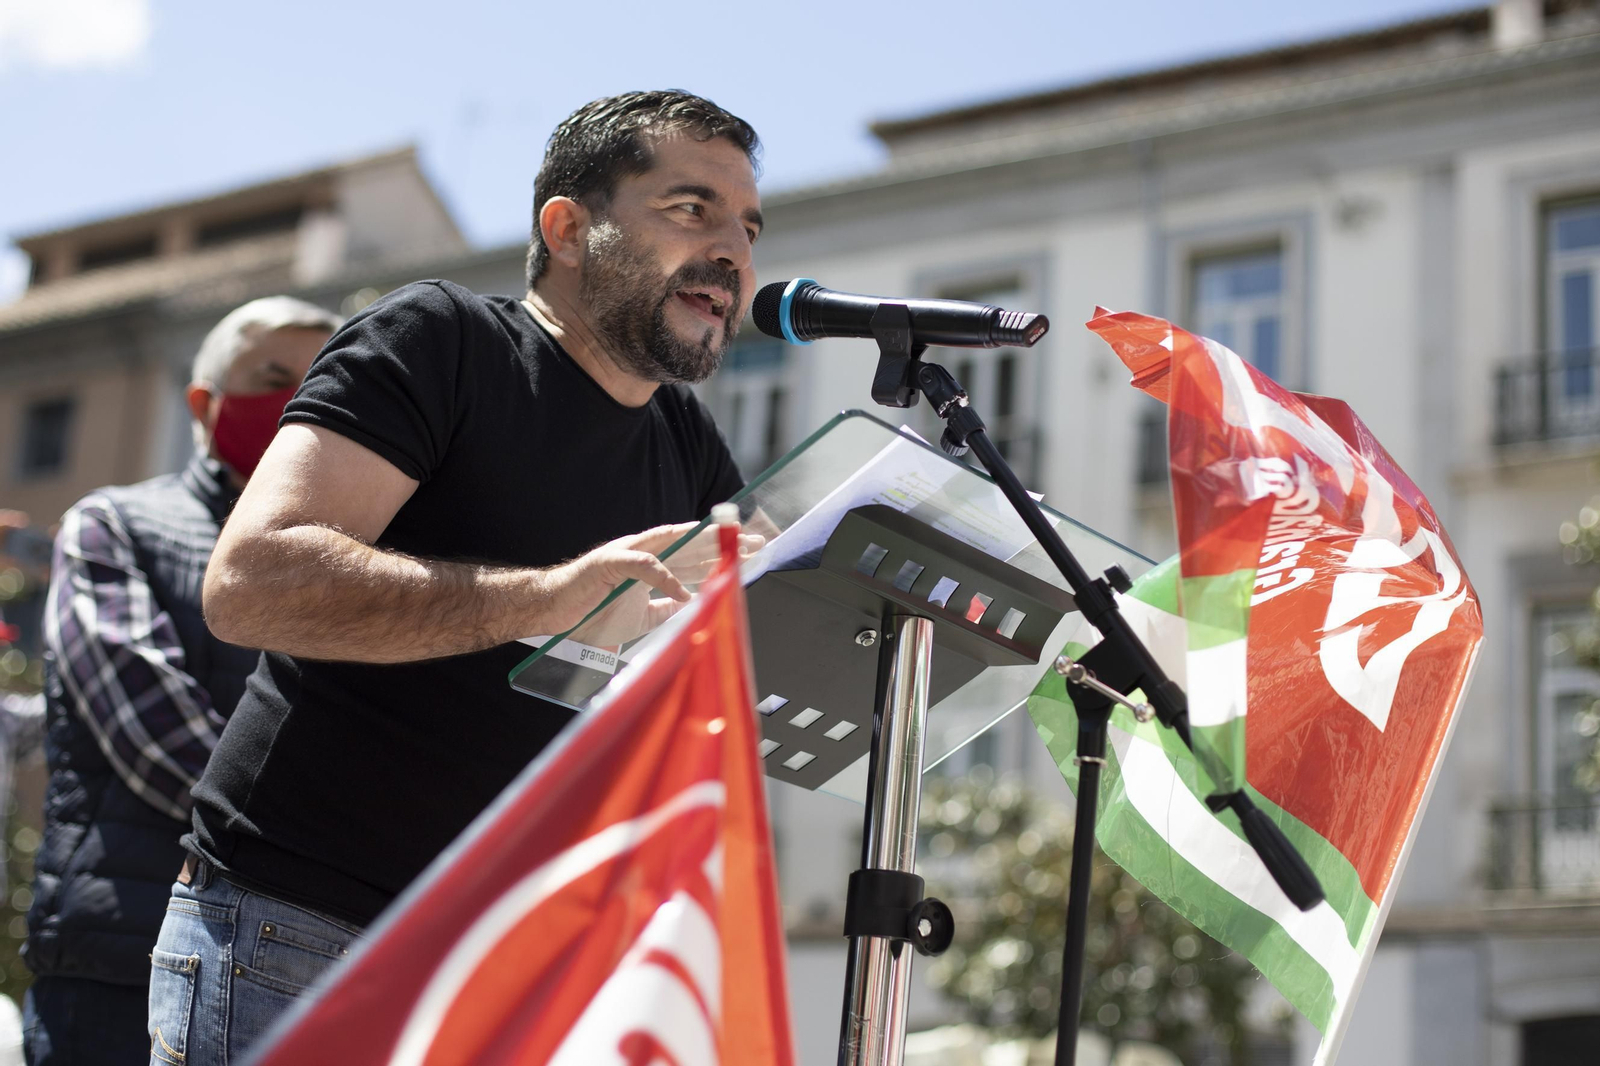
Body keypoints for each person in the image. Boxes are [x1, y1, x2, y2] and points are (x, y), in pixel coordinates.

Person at [147, 90, 765, 1064]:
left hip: (517, 967)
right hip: (305, 936)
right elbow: (253, 579)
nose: (733, 250)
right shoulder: (438, 338)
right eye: (691, 209)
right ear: (567, 228)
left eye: (747, 225)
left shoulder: (688, 446)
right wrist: (550, 598)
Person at [20, 298, 339, 1066]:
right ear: (203, 403)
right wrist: (333, 842)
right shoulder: (118, 526)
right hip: (121, 963)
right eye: (271, 378)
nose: (297, 406)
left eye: (319, 384)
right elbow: (155, 737)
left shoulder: (346, 558)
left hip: (297, 973)